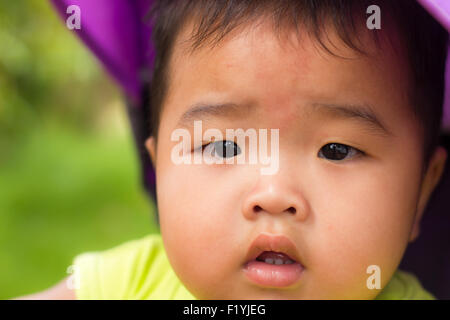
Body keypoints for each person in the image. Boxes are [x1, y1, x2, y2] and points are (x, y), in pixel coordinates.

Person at [16, 0, 449, 299]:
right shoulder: (128, 283)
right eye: (223, 146)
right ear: (159, 167)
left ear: (420, 192)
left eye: (336, 150)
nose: (275, 194)